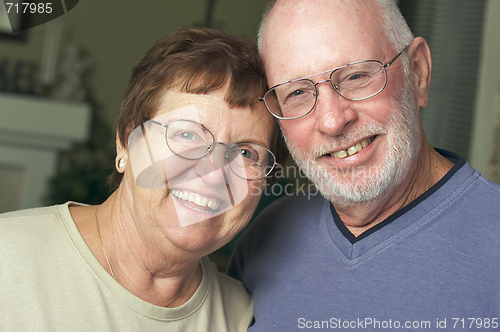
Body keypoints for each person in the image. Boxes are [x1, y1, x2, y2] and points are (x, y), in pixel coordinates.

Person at [228, 0, 500, 330]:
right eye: (297, 92)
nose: (331, 121)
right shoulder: (262, 241)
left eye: (357, 76)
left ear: (418, 72)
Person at [0, 27, 285, 331]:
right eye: (187, 134)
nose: (213, 173)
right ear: (126, 142)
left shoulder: (243, 317)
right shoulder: (8, 259)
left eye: (245, 153)